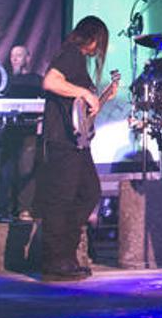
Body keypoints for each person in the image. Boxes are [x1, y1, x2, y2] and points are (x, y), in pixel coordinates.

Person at [37, 16, 117, 281]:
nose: (98, 49)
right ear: (92, 38)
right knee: (62, 199)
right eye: (99, 42)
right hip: (62, 141)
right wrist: (85, 93)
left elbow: (81, 115)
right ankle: (55, 261)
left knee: (89, 192)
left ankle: (65, 255)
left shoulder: (78, 60)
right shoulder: (71, 54)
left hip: (76, 142)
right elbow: (50, 81)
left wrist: (102, 98)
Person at [0, 45, 43, 221]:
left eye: (19, 55)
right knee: (6, 172)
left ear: (28, 58)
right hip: (7, 132)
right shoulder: (4, 81)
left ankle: (25, 209)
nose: (14, 59)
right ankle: (5, 210)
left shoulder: (36, 80)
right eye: (12, 56)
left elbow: (45, 103)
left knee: (26, 170)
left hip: (28, 131)